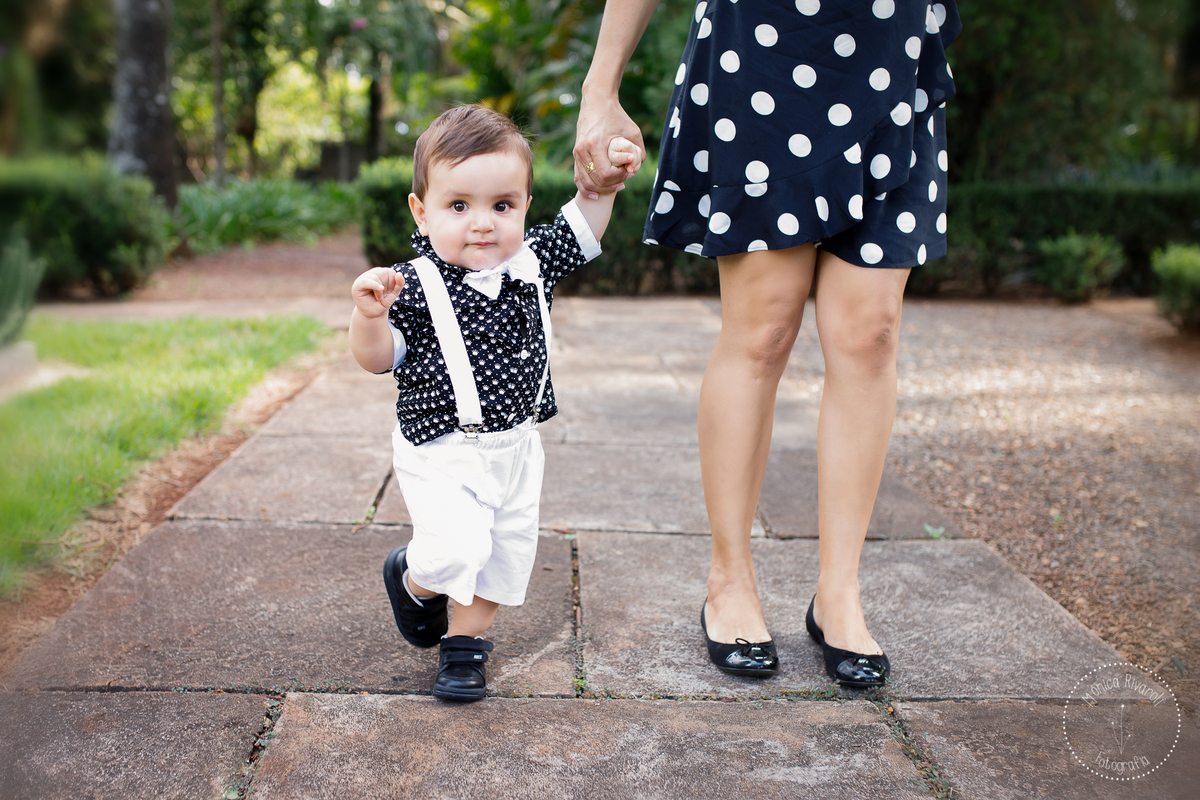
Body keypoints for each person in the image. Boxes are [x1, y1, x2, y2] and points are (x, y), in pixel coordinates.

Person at [574, 1, 960, 687]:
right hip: (765, 49)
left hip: (890, 49)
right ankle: (729, 580)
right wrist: (600, 89)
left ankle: (838, 591)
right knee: (763, 330)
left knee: (870, 334)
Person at [350, 105, 642, 701]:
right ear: (422, 211)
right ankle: (414, 578)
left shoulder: (533, 262)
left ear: (526, 206)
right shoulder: (411, 285)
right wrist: (369, 317)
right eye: (459, 206)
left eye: (502, 205)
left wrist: (605, 182)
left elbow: (586, 221)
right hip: (442, 447)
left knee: (503, 556)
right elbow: (377, 360)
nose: (482, 224)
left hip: (516, 447)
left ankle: (464, 648)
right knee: (454, 550)